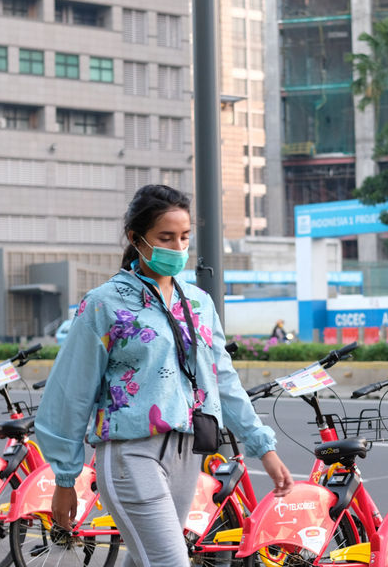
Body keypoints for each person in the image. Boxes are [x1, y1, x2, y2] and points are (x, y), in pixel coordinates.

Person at [36, 184, 293, 566]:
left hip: (186, 455)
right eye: (165, 237)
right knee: (170, 562)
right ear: (136, 239)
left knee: (146, 560)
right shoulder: (104, 304)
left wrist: (263, 449)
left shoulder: (199, 303)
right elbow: (70, 393)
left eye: (184, 237)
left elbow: (222, 379)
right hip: (129, 456)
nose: (177, 247)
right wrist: (64, 478)